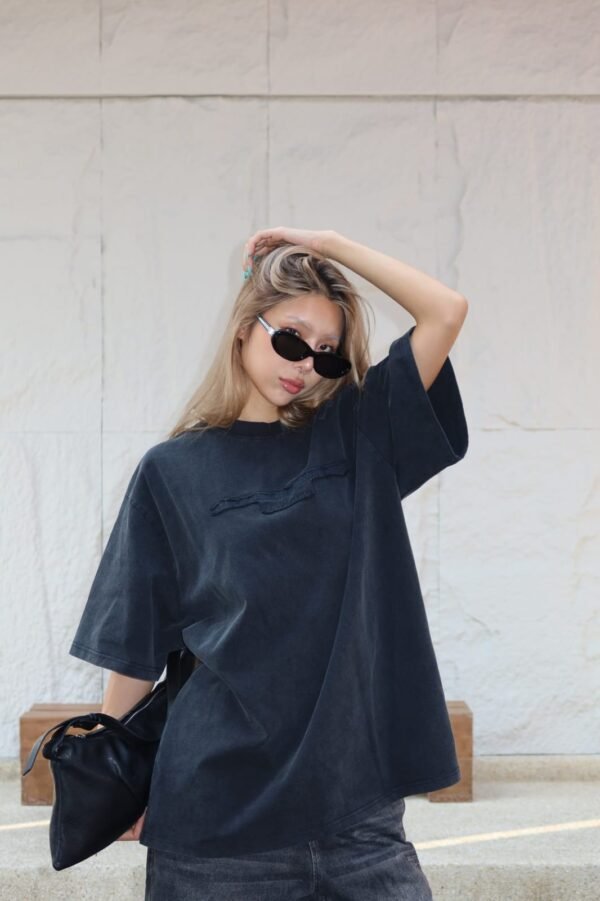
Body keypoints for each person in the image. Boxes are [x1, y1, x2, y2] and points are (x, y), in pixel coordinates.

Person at [69, 227, 469, 899]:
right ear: (243, 328)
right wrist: (122, 780)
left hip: (356, 814)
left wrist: (327, 244)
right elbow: (134, 641)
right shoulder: (172, 471)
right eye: (290, 338)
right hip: (216, 822)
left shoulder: (358, 435)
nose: (305, 363)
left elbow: (445, 311)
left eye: (326, 353)